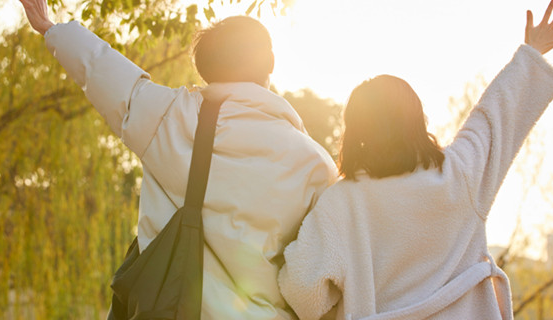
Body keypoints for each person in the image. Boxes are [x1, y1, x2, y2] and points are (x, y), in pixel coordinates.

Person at [17, 1, 338, 318]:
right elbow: (310, 277)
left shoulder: (171, 116)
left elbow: (104, 69)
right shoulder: (316, 165)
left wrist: (51, 29)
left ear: (205, 66)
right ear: (269, 61)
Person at [277, 1, 553, 319]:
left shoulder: (341, 202)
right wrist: (532, 52)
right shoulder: (459, 175)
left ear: (356, 131)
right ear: (417, 119)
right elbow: (493, 117)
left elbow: (303, 293)